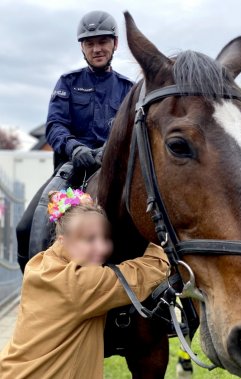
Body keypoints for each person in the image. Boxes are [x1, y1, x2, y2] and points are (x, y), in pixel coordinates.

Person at [0, 188, 169, 379]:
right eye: (90, 239)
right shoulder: (80, 284)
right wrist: (162, 240)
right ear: (63, 240)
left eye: (105, 238)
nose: (102, 247)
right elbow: (148, 272)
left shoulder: (40, 263)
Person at [16, 10, 133, 272]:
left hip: (116, 171)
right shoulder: (67, 83)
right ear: (82, 47)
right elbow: (55, 126)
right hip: (72, 170)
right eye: (89, 43)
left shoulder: (129, 89)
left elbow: (133, 132)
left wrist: (110, 151)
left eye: (102, 42)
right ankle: (36, 289)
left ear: (115, 43)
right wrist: (75, 147)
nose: (97, 48)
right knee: (24, 228)